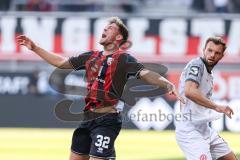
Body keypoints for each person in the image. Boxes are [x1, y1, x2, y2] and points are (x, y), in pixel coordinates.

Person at [17, 17, 184, 160]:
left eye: (109, 28)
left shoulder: (124, 58)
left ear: (118, 37)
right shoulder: (91, 56)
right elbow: (61, 62)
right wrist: (35, 48)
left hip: (107, 121)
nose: (104, 29)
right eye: (104, 27)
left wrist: (167, 83)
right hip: (86, 119)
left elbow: (146, 73)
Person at [175, 36, 237, 160]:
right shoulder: (197, 65)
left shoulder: (209, 73)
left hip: (204, 128)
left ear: (222, 56)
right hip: (190, 131)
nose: (212, 55)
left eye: (217, 53)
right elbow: (189, 91)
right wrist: (217, 107)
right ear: (203, 50)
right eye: (210, 50)